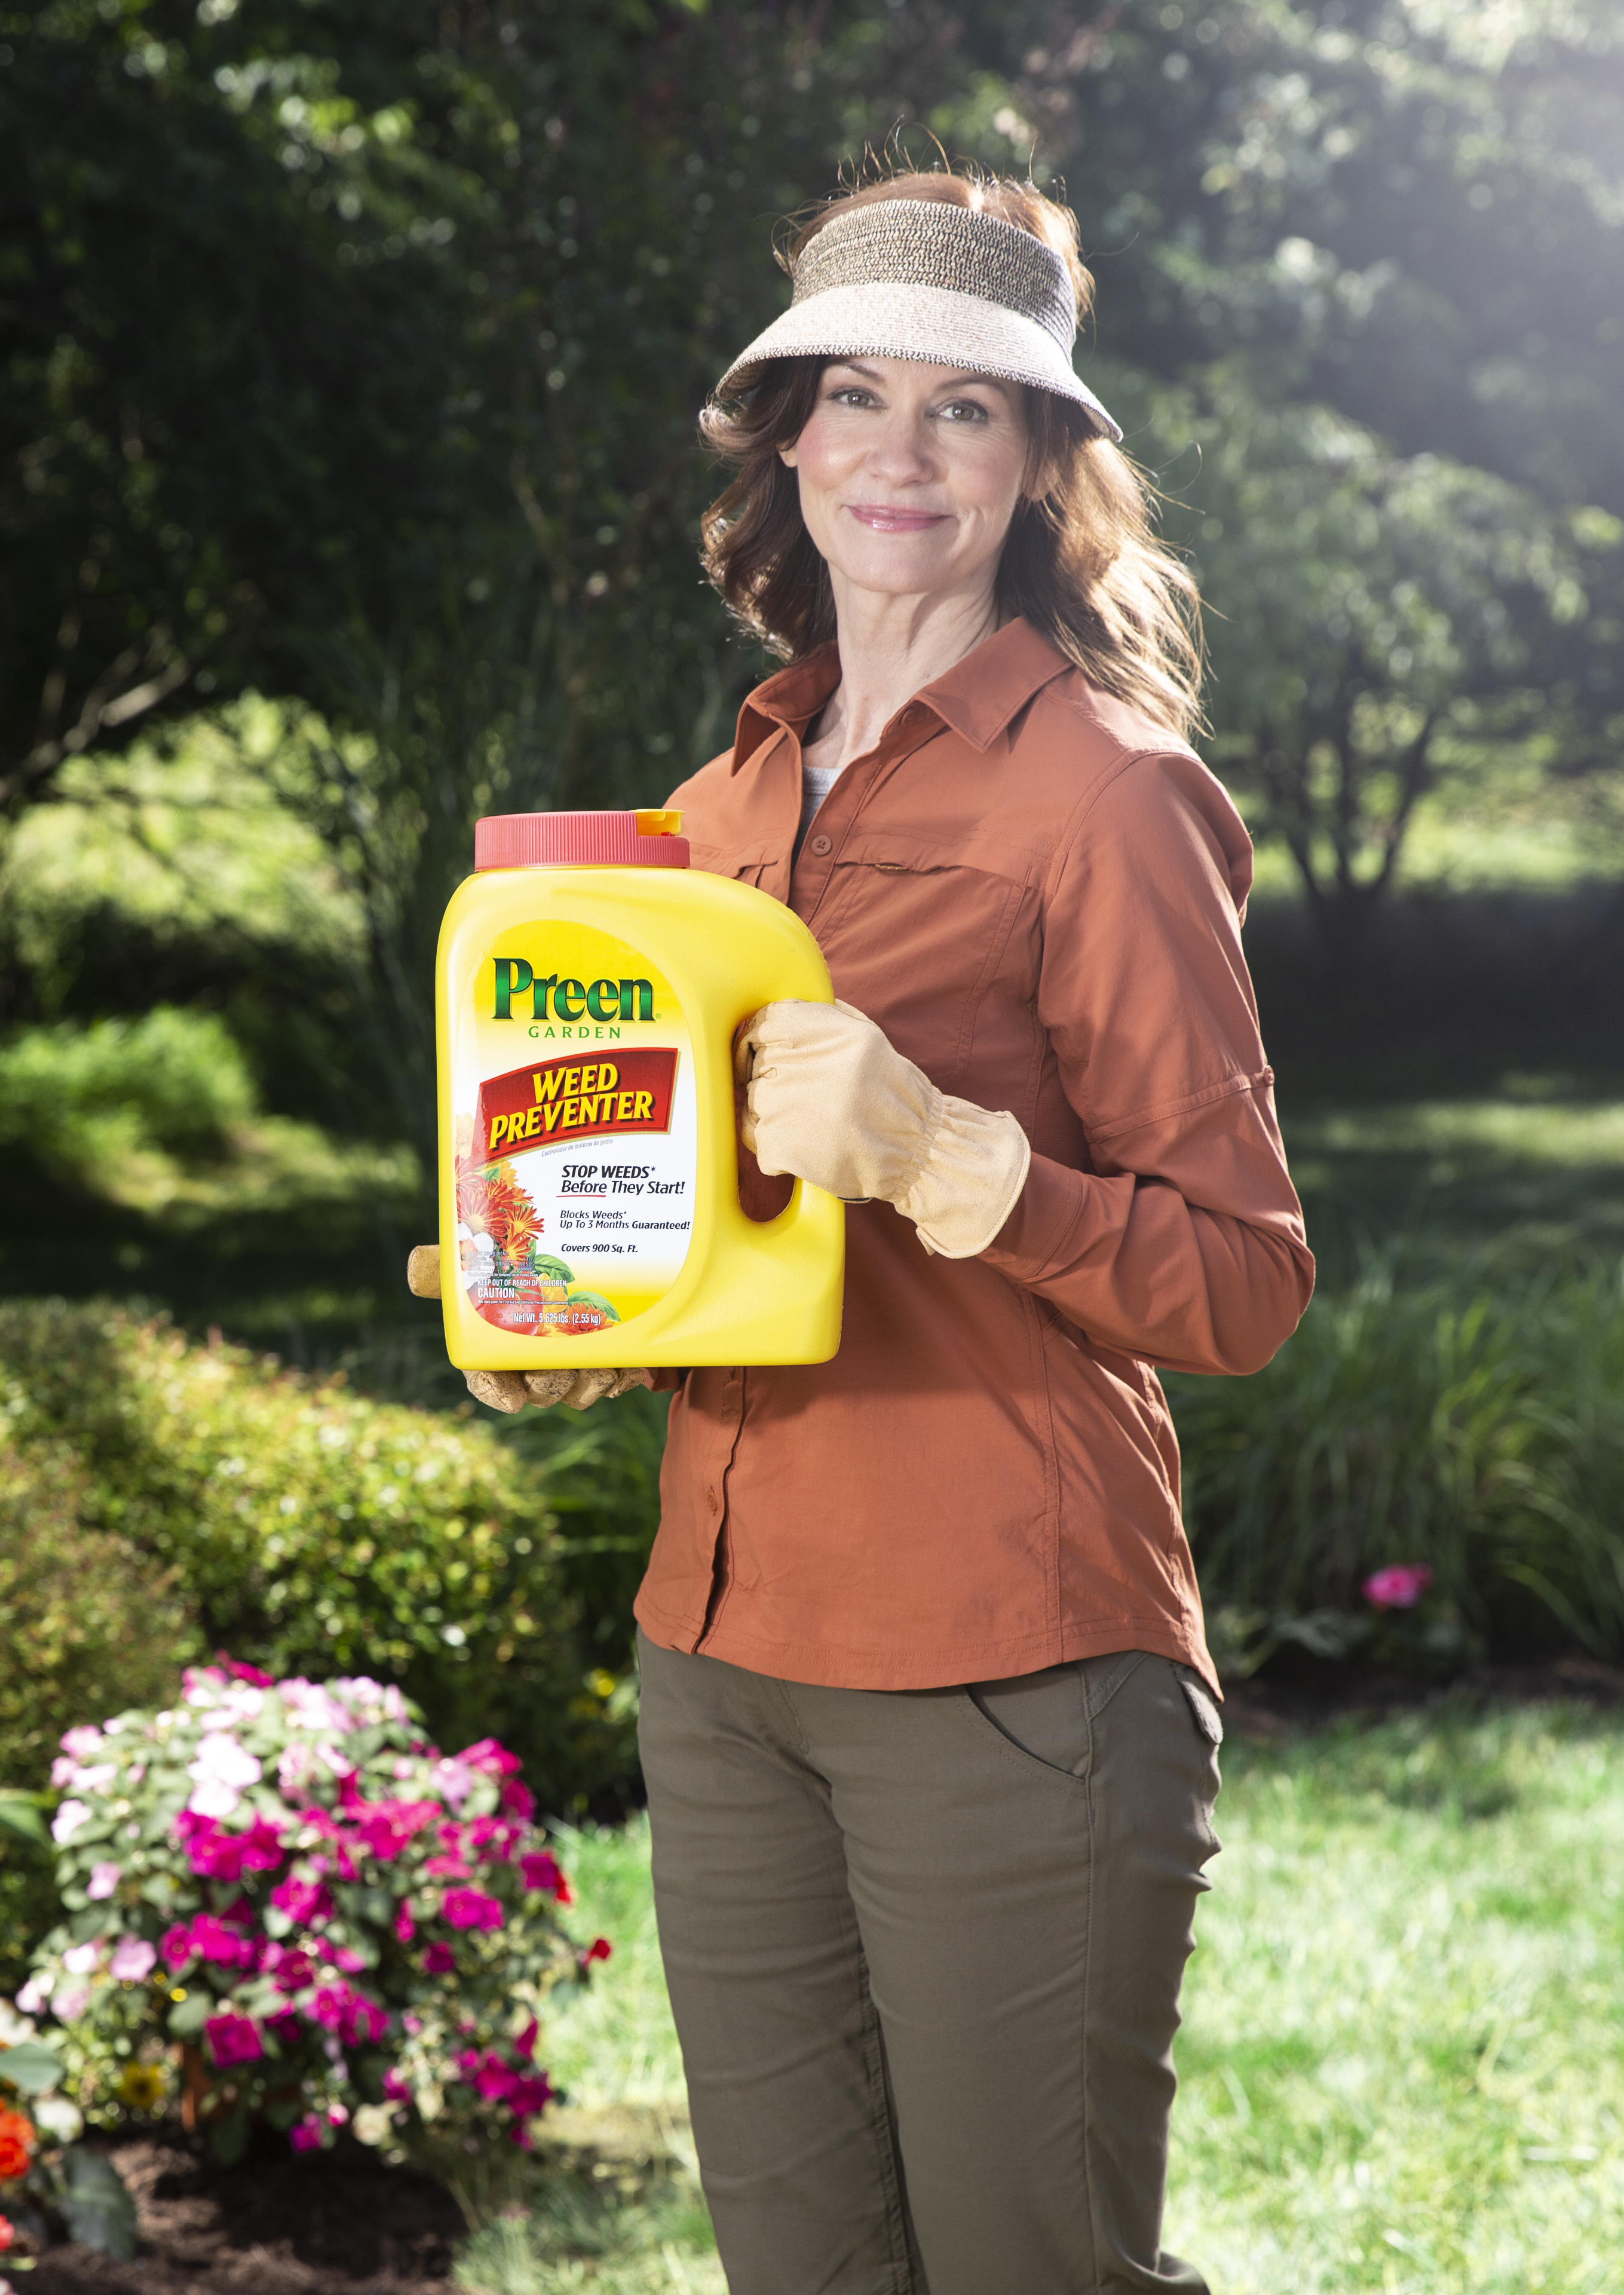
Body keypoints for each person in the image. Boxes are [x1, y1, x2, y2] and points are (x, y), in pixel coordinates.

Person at [437, 170, 1313, 2290]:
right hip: (719, 1659)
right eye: (855, 399)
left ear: (1036, 471)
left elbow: (1246, 1280)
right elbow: (672, 1228)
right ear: (789, 442)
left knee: (1030, 2270)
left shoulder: (1106, 797)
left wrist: (947, 1156)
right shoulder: (707, 817)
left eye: (966, 410)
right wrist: (538, 1302)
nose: (899, 452)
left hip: (1009, 1664)